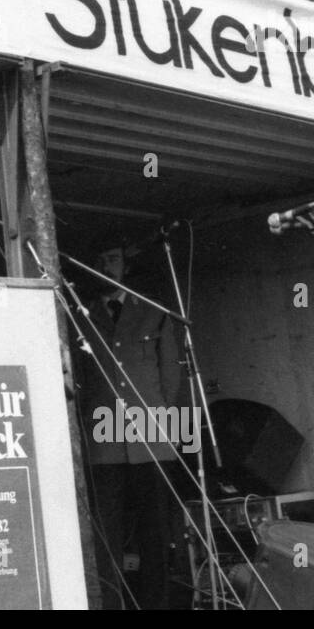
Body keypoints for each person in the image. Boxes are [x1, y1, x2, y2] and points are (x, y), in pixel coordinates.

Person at [79, 243, 184, 609]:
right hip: (103, 447)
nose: (104, 267)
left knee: (156, 536)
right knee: (106, 537)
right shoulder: (81, 316)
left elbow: (171, 379)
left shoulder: (154, 313)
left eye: (111, 259)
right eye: (98, 261)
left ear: (126, 265)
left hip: (151, 441)